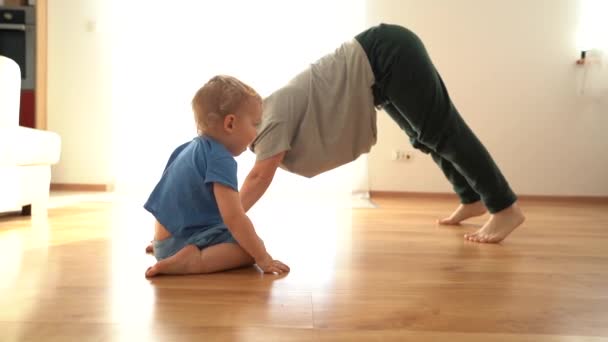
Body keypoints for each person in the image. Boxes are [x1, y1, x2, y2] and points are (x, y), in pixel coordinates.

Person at [239, 23, 525, 244]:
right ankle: (471, 199)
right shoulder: (264, 115)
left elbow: (259, 175)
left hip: (387, 53)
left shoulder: (268, 120)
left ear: (233, 123)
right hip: (379, 73)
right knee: (424, 137)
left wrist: (225, 220)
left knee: (443, 132)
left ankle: (504, 207)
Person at [144, 75, 290, 277]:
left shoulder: (188, 148)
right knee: (248, 251)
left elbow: (170, 200)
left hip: (163, 238)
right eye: (254, 124)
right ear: (230, 123)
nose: (256, 133)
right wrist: (263, 257)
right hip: (178, 244)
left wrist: (161, 242)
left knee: (240, 237)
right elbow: (234, 217)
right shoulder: (220, 159)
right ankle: (192, 262)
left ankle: (168, 250)